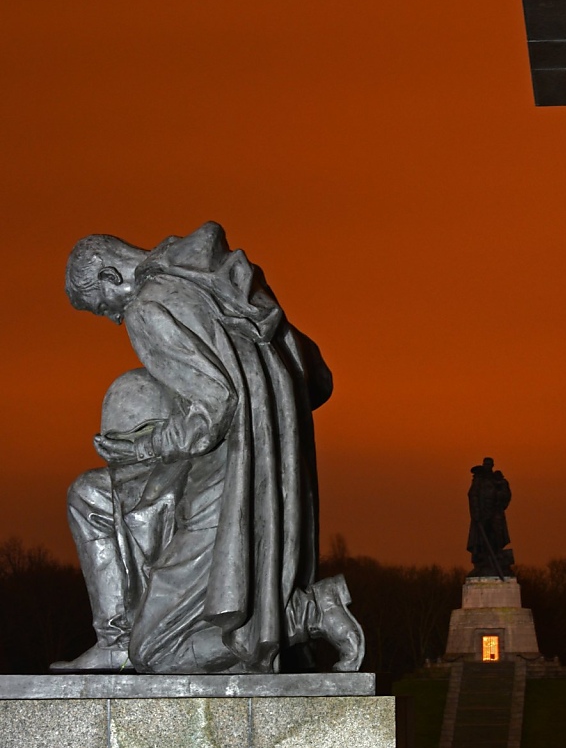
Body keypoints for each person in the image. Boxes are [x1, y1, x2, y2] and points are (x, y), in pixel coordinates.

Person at [51, 221, 364, 674]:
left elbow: (214, 408)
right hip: (267, 466)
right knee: (90, 495)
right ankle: (115, 638)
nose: (114, 319)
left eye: (104, 309)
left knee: (157, 653)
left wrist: (142, 446)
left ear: (110, 277)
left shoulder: (147, 307)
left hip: (223, 482)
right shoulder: (211, 273)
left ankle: (309, 612)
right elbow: (315, 377)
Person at [466, 456, 514, 578]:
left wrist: (499, 497)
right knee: (482, 539)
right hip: (482, 515)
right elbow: (473, 495)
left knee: (497, 535)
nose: (487, 467)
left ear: (492, 466)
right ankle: (482, 561)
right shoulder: (479, 480)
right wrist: (476, 512)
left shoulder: (497, 480)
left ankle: (497, 556)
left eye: (489, 464)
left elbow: (506, 495)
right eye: (485, 464)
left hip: (495, 513)